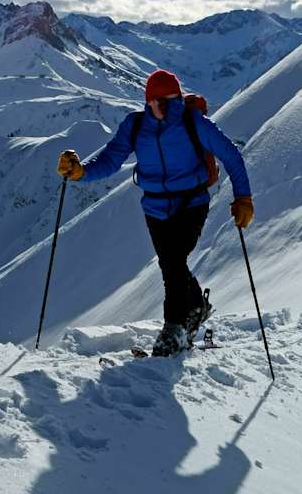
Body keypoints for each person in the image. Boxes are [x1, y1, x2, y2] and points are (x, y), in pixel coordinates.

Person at [56, 69, 254, 356]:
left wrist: (243, 197)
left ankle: (172, 329)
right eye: (156, 102)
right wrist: (80, 171)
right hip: (154, 207)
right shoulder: (136, 126)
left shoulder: (193, 122)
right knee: (170, 263)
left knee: (172, 262)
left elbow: (230, 155)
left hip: (191, 202)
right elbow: (111, 159)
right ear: (148, 102)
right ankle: (196, 306)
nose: (163, 108)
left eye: (169, 101)